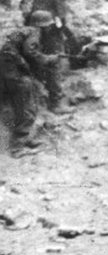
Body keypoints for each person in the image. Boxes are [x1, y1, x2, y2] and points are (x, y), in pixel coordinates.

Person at [0, 11, 63, 151]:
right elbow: (30, 52)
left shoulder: (23, 32)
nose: (49, 28)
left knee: (24, 106)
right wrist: (48, 59)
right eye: (49, 26)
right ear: (44, 26)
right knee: (27, 107)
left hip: (9, 71)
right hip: (15, 74)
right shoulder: (35, 32)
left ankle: (25, 138)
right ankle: (17, 147)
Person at [29, 0, 80, 111]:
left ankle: (46, 95)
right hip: (50, 30)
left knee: (43, 61)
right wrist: (69, 35)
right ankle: (56, 103)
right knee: (54, 64)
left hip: (37, 26)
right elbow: (61, 17)